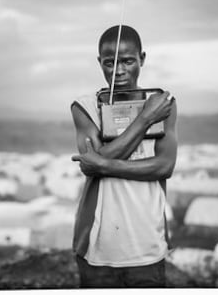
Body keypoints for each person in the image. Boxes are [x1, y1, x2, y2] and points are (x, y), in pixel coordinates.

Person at [71, 25, 178, 288]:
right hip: (98, 246)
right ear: (100, 63)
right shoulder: (85, 106)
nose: (118, 71)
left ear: (142, 58)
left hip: (146, 245)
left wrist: (102, 164)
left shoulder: (163, 103)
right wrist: (145, 119)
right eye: (110, 63)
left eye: (128, 61)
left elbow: (164, 166)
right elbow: (91, 166)